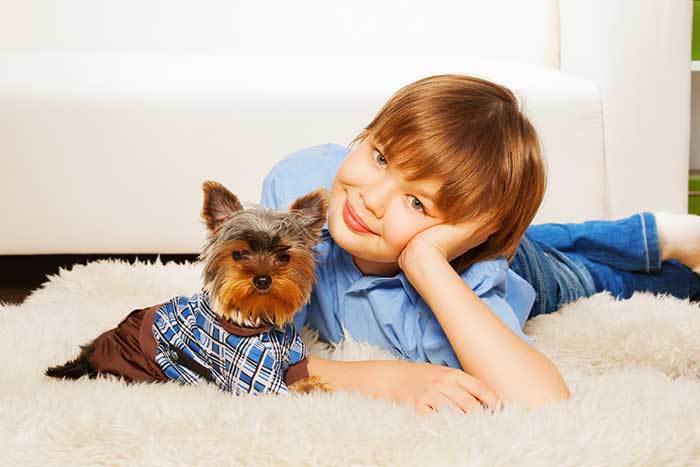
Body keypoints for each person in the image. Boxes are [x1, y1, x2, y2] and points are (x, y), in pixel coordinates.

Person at [259, 74, 700, 415]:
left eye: (416, 202)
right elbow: (249, 350)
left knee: (581, 275)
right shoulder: (301, 193)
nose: (369, 199)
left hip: (513, 265)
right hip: (489, 238)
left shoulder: (469, 279)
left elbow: (545, 401)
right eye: (380, 157)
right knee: (546, 239)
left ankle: (668, 259)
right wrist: (392, 380)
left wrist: (427, 260)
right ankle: (650, 231)